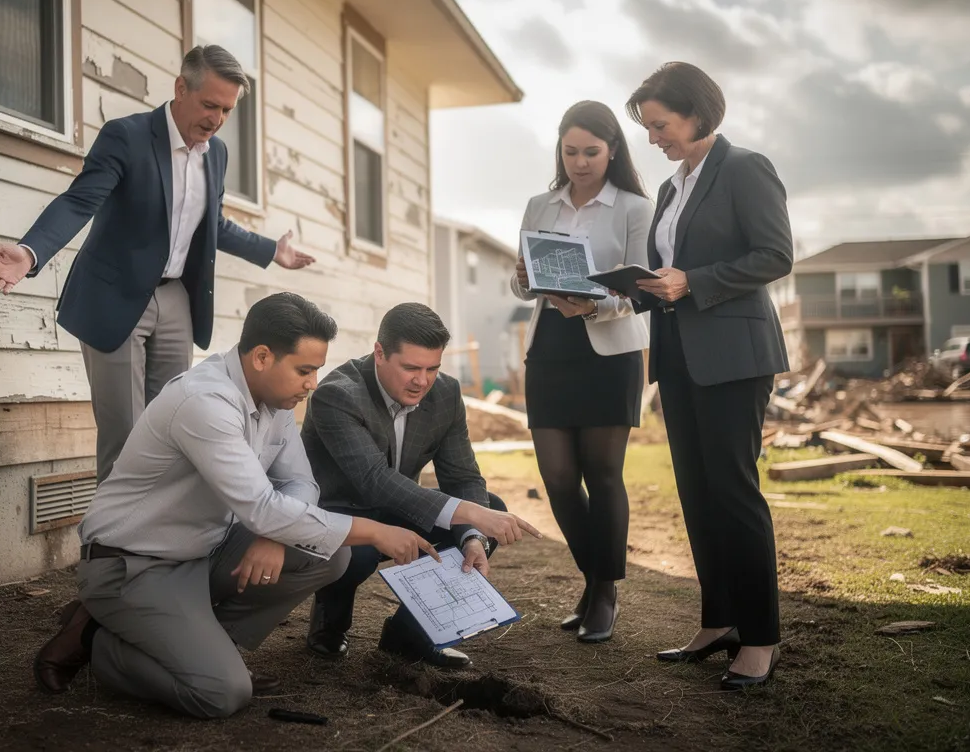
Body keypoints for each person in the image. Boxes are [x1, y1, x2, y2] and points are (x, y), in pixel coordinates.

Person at [32, 293, 441, 718]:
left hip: (203, 551)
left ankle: (204, 646)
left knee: (331, 554)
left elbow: (300, 482)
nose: (312, 384)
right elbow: (264, 505)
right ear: (262, 356)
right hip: (134, 565)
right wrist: (375, 531)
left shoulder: (275, 398)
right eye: (304, 370)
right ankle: (99, 642)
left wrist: (271, 533)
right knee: (221, 694)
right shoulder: (204, 402)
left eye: (316, 370)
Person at [0, 45, 315, 483]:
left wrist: (272, 251)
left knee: (171, 431)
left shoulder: (218, 154)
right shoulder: (127, 136)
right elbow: (81, 201)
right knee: (125, 437)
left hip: (176, 301)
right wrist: (31, 250)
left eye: (227, 110)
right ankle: (110, 547)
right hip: (114, 296)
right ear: (180, 87)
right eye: (209, 104)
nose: (216, 119)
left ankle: (156, 546)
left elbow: (211, 225)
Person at [624, 62, 793, 689]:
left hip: (734, 359)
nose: (652, 138)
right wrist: (613, 295)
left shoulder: (745, 168)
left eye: (660, 125)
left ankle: (761, 637)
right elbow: (662, 279)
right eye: (646, 127)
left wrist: (694, 281)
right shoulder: (671, 190)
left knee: (733, 492)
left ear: (697, 114)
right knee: (697, 494)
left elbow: (776, 254)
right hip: (678, 360)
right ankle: (719, 621)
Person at [302, 303, 541, 670]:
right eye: (411, 367)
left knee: (483, 509)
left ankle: (408, 633)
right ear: (380, 353)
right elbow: (374, 481)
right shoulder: (338, 394)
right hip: (341, 511)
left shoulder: (445, 393)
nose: (422, 381)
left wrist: (473, 534)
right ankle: (330, 620)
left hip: (399, 505)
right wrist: (471, 514)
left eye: (433, 368)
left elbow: (462, 476)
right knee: (360, 554)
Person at [509, 101, 654, 644]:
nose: (580, 162)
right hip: (550, 344)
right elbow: (522, 285)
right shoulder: (538, 205)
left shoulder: (635, 208)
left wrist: (594, 305)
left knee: (602, 473)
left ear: (612, 150)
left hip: (609, 350)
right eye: (570, 151)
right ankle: (594, 579)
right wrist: (523, 276)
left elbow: (641, 289)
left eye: (591, 151)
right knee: (559, 478)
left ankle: (604, 591)